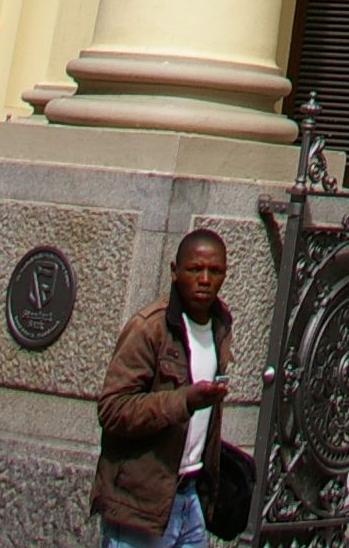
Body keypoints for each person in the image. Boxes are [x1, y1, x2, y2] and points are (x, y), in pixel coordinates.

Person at [93, 227, 232, 547]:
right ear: (175, 271)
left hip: (189, 493)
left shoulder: (221, 324)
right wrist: (182, 401)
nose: (205, 279)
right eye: (195, 269)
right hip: (141, 503)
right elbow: (112, 409)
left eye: (215, 271)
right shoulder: (149, 327)